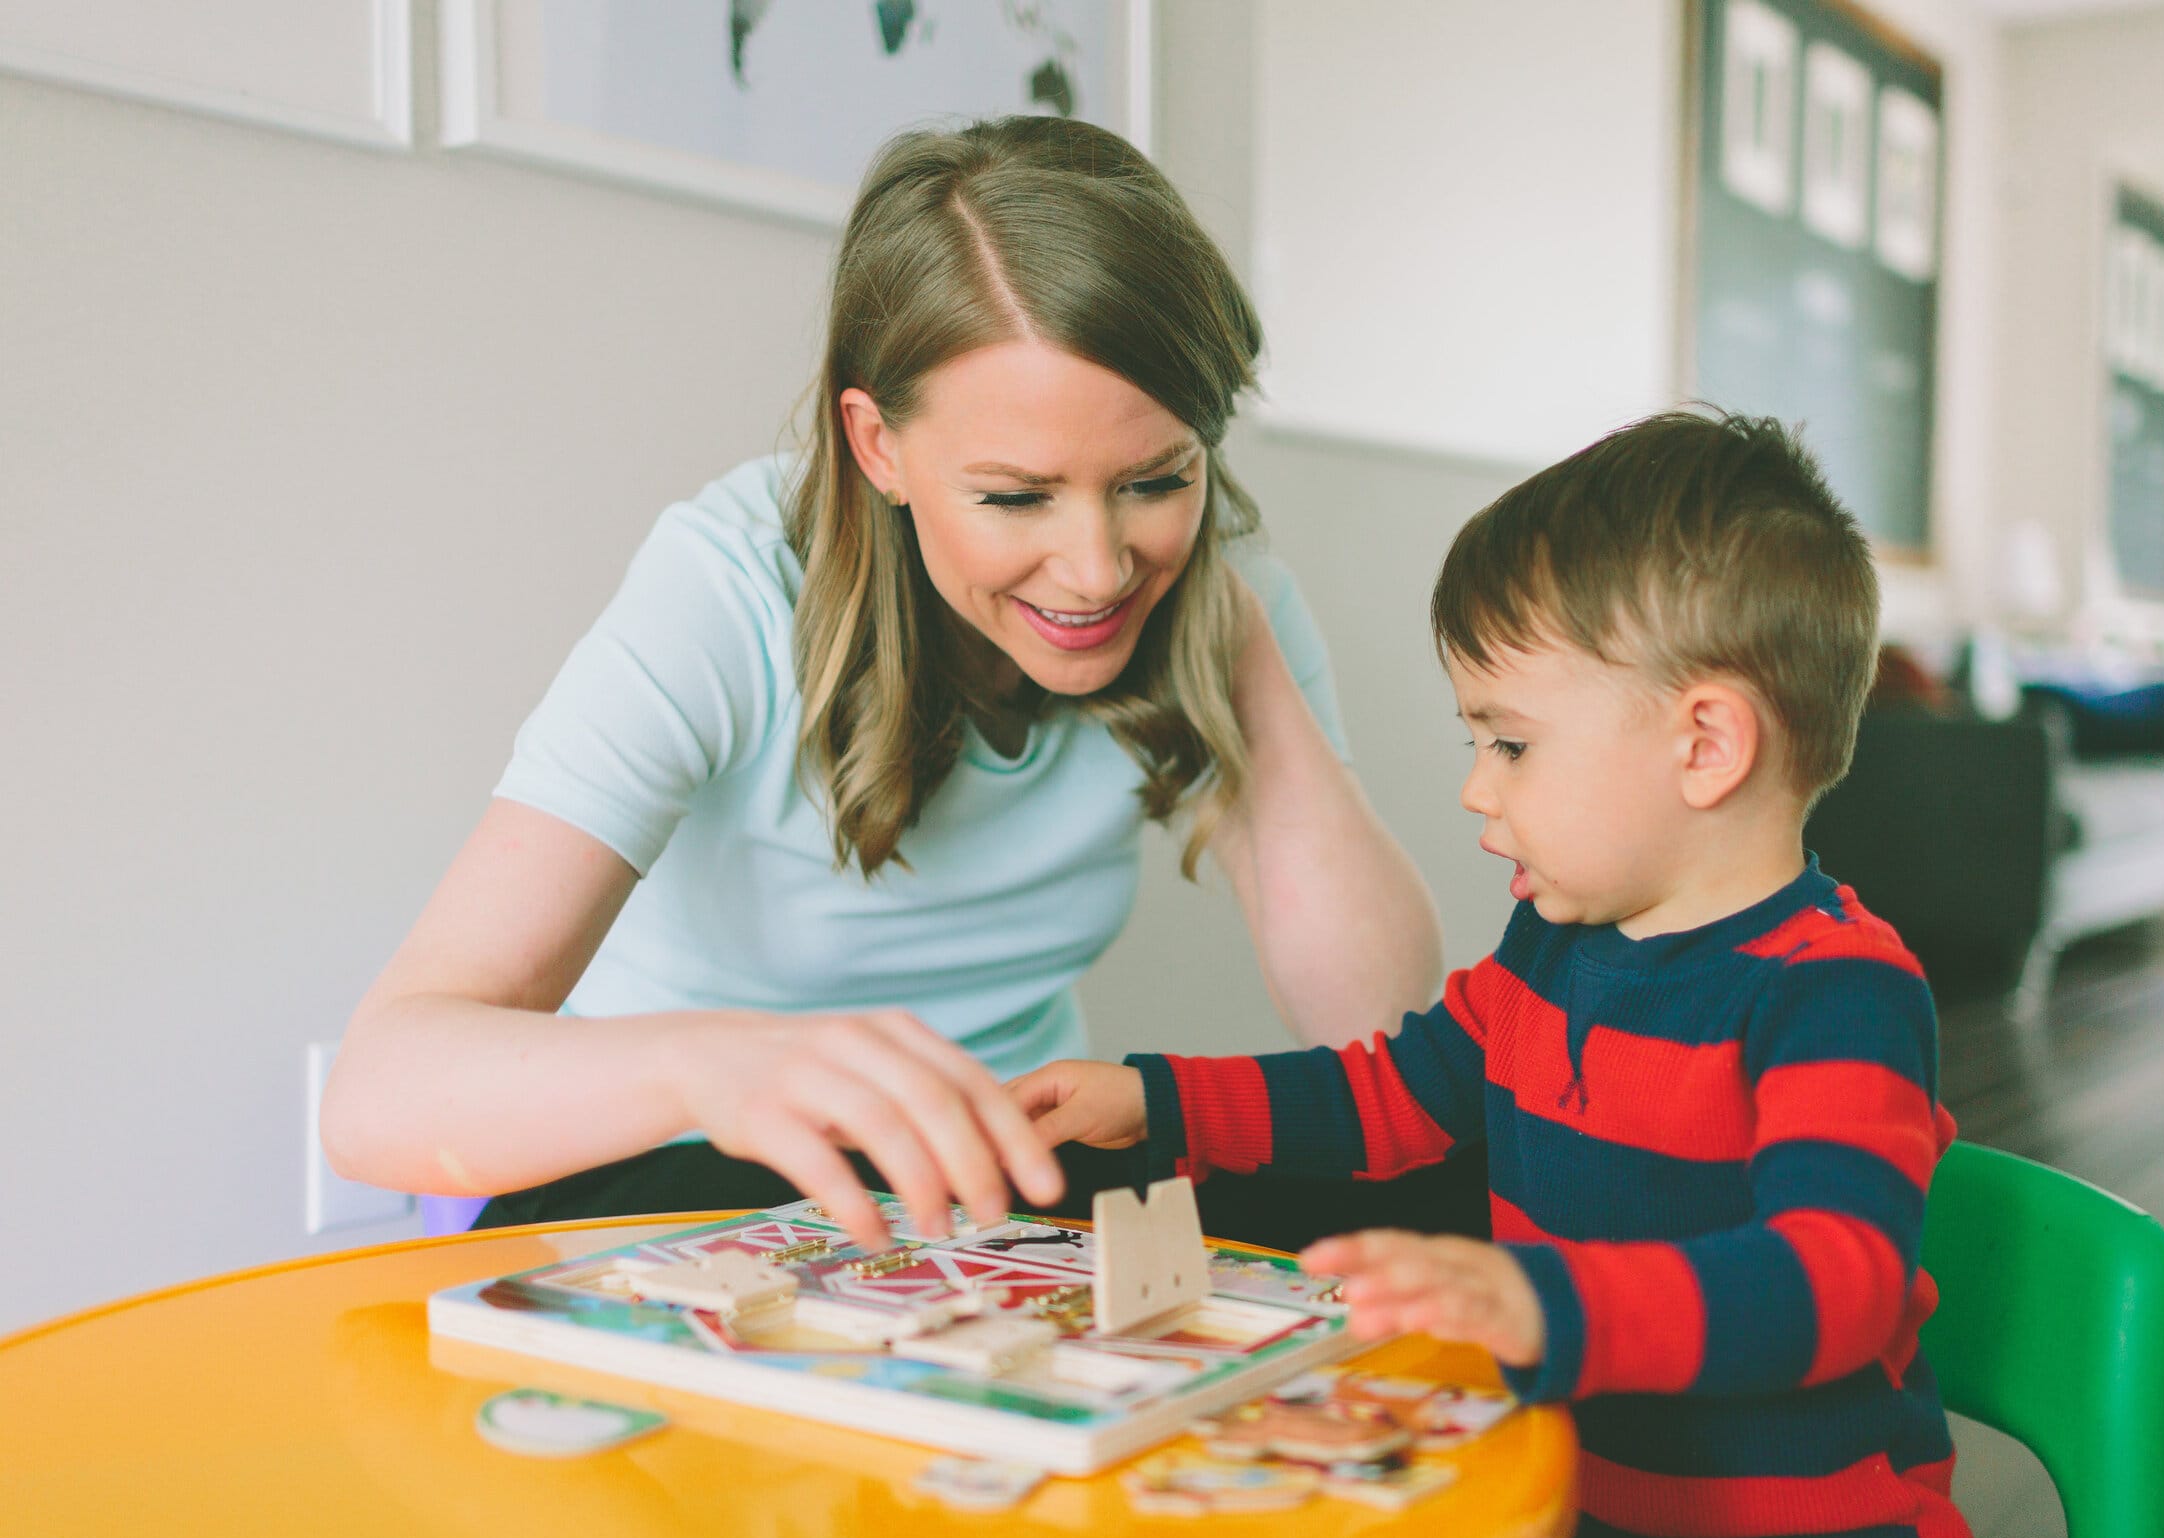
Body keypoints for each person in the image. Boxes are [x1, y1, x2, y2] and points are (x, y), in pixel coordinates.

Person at [318, 116, 1453, 1252]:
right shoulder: (729, 586)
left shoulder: (1210, 584)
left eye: (1156, 478)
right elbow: (377, 1096)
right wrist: (718, 1063)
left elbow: (1388, 1049)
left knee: (1440, 1193)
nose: (1099, 566)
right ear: (877, 447)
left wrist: (1227, 636)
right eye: (1016, 497)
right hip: (689, 1157)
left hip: (1004, 1166)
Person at [1015, 411, 1972, 1538]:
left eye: (1508, 742)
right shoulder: (1555, 945)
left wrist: (1538, 1298)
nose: (1478, 785)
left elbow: (1827, 1281)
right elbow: (1391, 1094)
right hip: (1579, 1522)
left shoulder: (1834, 993)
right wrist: (1158, 1100)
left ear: (1705, 744)